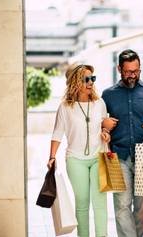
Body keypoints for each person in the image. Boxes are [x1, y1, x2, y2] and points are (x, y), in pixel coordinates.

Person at [101, 49, 143, 237]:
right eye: (128, 71)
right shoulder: (108, 95)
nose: (133, 76)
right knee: (121, 205)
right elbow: (100, 125)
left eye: (136, 71)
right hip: (118, 157)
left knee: (141, 207)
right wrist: (104, 127)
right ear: (119, 68)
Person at [47, 63, 110, 237]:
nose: (91, 82)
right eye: (86, 79)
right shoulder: (65, 107)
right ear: (75, 81)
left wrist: (106, 134)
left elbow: (105, 127)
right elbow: (57, 134)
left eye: (93, 78)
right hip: (75, 160)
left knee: (100, 202)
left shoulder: (100, 103)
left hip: (99, 157)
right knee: (82, 203)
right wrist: (52, 157)